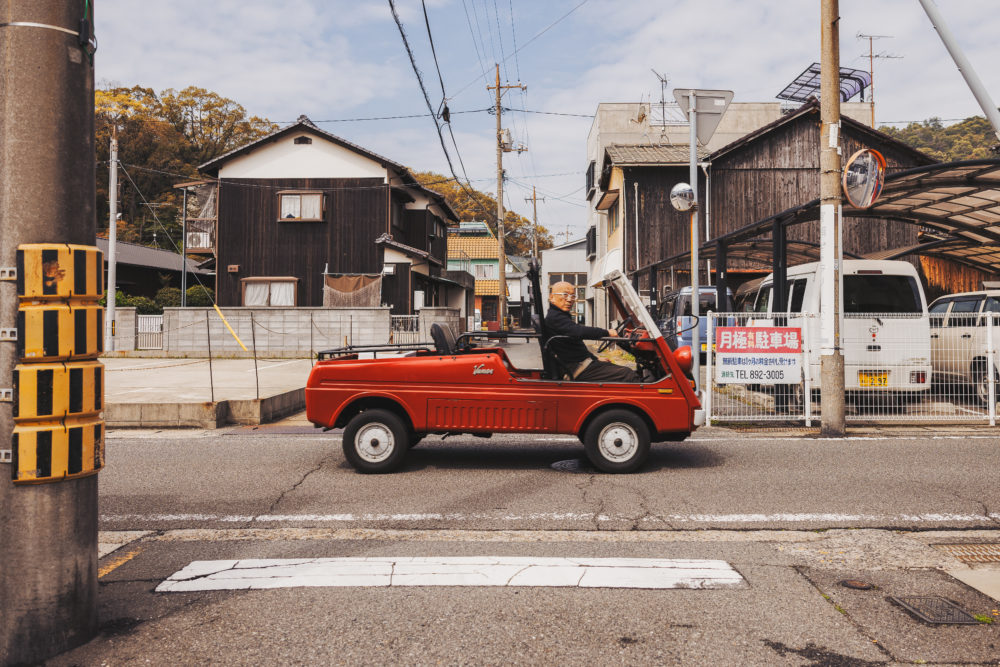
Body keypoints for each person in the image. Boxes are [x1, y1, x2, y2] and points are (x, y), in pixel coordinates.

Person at [545, 281, 639, 382]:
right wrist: (607, 332)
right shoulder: (555, 318)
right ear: (552, 297)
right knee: (628, 375)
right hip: (575, 369)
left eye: (572, 296)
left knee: (620, 369)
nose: (569, 300)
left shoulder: (560, 316)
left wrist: (594, 358)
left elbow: (575, 347)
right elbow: (579, 332)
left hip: (578, 364)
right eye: (565, 295)